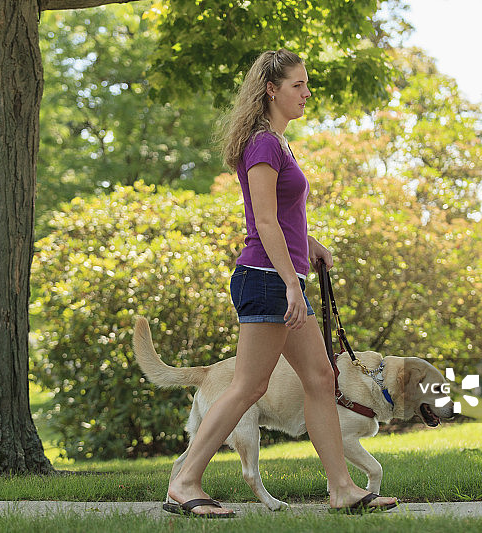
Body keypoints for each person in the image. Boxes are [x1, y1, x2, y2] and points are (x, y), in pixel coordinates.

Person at [164, 49, 399, 517]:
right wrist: (293, 285)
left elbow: (279, 216)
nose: (307, 93)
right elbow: (264, 224)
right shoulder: (264, 144)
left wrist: (308, 242)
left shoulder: (277, 143)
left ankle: (342, 489)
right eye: (298, 85)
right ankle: (185, 481)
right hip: (267, 279)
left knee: (319, 377)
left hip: (280, 275)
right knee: (249, 387)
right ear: (271, 89)